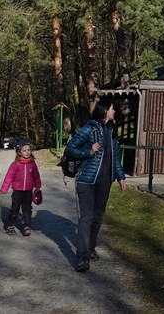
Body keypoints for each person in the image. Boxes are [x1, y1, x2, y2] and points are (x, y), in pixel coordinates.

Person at [64, 98, 127, 272]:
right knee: (87, 217)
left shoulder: (112, 131)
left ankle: (91, 248)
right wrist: (89, 151)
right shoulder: (88, 129)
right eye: (113, 108)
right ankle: (82, 257)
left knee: (98, 217)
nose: (115, 111)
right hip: (86, 180)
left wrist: (121, 177)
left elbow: (115, 158)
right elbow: (70, 149)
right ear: (105, 110)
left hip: (105, 181)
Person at [0, 140, 42, 236]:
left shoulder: (32, 163)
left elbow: (36, 175)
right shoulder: (16, 164)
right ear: (19, 152)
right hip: (17, 191)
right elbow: (9, 176)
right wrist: (4, 189)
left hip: (28, 191)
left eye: (28, 150)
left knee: (27, 209)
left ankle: (26, 226)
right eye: (24, 150)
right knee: (14, 208)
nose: (27, 152)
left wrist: (38, 186)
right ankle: (10, 225)